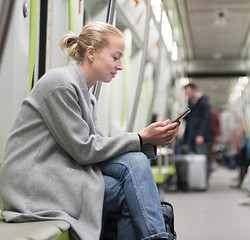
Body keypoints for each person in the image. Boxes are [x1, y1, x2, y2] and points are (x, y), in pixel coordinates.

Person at [0, 22, 179, 240]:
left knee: (136, 161)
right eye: (115, 57)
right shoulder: (61, 84)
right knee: (129, 194)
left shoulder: (87, 96)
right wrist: (141, 138)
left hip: (62, 174)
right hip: (34, 186)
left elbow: (98, 150)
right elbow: (85, 150)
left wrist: (145, 141)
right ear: (91, 53)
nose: (120, 66)